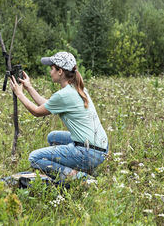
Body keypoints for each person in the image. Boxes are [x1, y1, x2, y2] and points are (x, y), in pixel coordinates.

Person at [9, 52, 108, 181]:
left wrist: (19, 94)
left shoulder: (64, 95)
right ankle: (84, 168)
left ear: (60, 71)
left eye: (52, 69)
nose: (50, 72)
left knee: (35, 158)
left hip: (89, 152)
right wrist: (29, 87)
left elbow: (37, 112)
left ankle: (82, 178)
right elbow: (46, 105)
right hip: (101, 148)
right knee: (53, 137)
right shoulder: (77, 88)